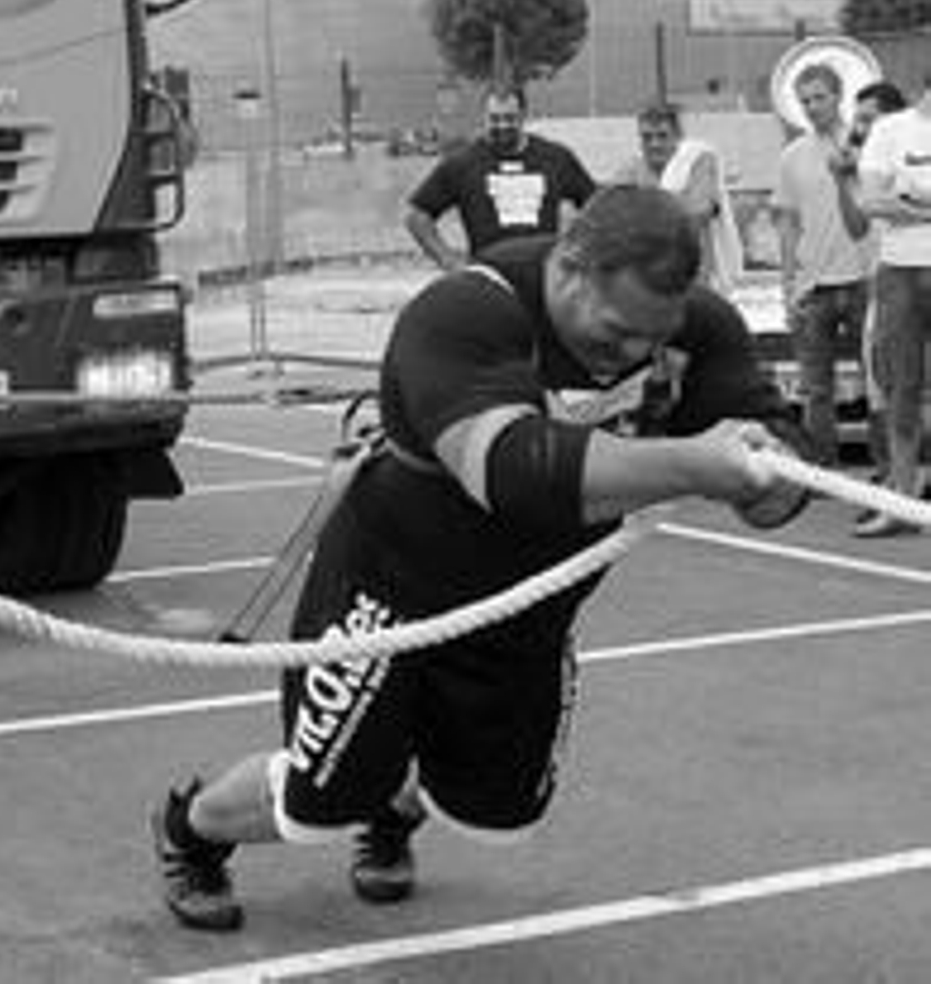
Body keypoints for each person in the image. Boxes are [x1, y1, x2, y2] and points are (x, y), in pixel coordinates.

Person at [151, 185, 810, 932]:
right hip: (389, 591)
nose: (632, 354)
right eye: (618, 330)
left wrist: (770, 479)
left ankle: (393, 814)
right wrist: (695, 463)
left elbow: (778, 476)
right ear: (570, 265)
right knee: (323, 792)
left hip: (530, 606)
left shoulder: (694, 328)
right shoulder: (470, 311)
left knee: (494, 799)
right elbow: (512, 472)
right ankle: (191, 831)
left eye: (652, 341)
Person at [772, 62, 875, 468]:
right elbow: (787, 226)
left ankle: (887, 471)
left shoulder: (866, 144)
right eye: (805, 101)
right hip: (813, 287)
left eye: (820, 97)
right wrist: (787, 288)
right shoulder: (792, 156)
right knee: (816, 390)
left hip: (864, 278)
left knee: (879, 382)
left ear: (838, 97)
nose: (813, 107)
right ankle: (823, 471)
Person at [405, 83, 596, 271]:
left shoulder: (555, 158)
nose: (502, 125)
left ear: (523, 115)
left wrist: (578, 249)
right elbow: (417, 216)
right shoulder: (463, 163)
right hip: (489, 281)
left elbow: (597, 205)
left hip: (543, 279)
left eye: (509, 118)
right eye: (494, 118)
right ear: (484, 117)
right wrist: (449, 261)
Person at [856, 71, 931, 536]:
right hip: (900, 272)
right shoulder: (891, 129)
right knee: (901, 388)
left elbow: (892, 198)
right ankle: (901, 503)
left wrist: (913, 198)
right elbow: (873, 202)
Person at [836, 80, 908, 535]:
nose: (858, 129)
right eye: (857, 119)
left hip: (911, 284)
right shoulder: (868, 166)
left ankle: (901, 495)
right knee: (884, 391)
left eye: (867, 119)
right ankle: (895, 491)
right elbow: (857, 226)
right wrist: (842, 178)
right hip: (882, 286)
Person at [613, 101, 743, 295]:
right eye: (646, 137)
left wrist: (641, 211)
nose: (654, 144)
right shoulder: (633, 166)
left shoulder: (698, 159)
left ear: (678, 137)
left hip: (695, 281)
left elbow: (696, 214)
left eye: (662, 136)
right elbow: (610, 213)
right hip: (647, 280)